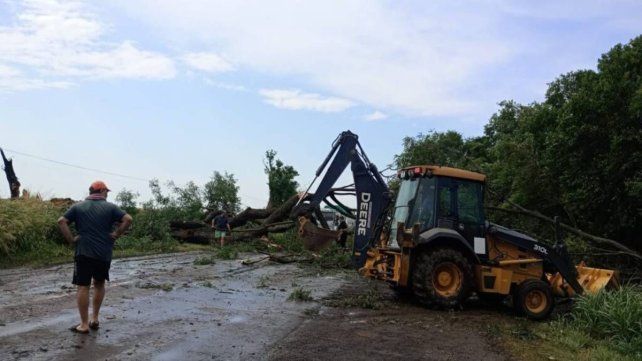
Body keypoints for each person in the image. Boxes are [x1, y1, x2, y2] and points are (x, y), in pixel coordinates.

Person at [58, 181, 132, 334]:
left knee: (83, 286)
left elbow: (61, 221)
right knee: (99, 284)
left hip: (83, 252)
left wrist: (71, 240)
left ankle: (84, 324)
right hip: (103, 253)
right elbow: (128, 219)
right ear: (102, 190)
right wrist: (117, 234)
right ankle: (95, 319)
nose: (107, 194)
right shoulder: (111, 207)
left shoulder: (78, 207)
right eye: (107, 192)